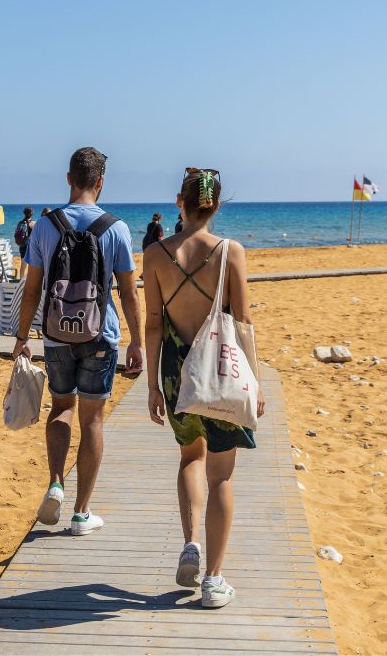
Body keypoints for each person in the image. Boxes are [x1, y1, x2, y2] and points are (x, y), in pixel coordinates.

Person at [142, 167, 264, 609]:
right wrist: (256, 379)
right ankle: (213, 580)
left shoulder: (155, 254)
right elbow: (243, 322)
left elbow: (153, 323)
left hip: (177, 371)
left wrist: (153, 384)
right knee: (222, 474)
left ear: (181, 201)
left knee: (189, 457)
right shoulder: (231, 252)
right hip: (221, 371)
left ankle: (190, 543)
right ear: (216, 205)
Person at [12, 147, 144, 537]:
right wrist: (137, 341)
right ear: (100, 183)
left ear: (68, 178)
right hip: (100, 335)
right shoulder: (116, 229)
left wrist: (22, 337)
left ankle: (56, 483)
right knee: (93, 419)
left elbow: (32, 288)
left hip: (55, 335)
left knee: (61, 409)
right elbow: (129, 293)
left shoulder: (45, 226)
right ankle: (82, 513)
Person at [13, 207, 36, 279]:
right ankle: (30, 281)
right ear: (32, 214)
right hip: (31, 247)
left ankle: (21, 281)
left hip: (22, 246)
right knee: (31, 266)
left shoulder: (20, 223)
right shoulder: (33, 223)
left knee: (23, 265)